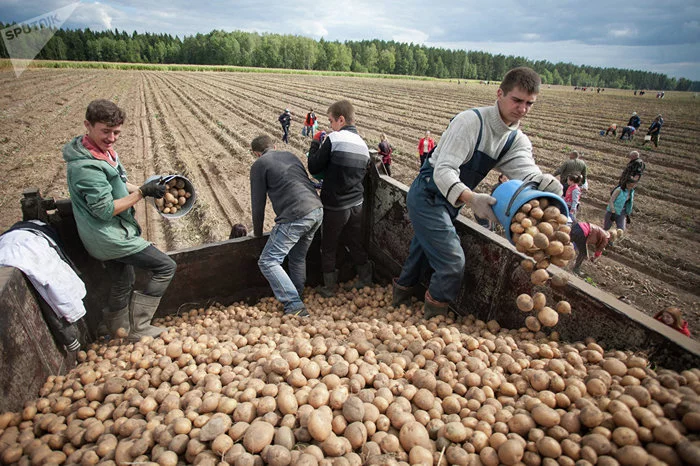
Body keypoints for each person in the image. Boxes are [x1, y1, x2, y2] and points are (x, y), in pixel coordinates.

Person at [391, 67, 562, 318]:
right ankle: (433, 318)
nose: (522, 109)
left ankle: (399, 300)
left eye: (529, 103)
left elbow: (530, 176)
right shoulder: (470, 122)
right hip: (427, 195)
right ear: (500, 93)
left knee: (421, 252)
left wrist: (552, 189)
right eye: (517, 100)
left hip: (450, 203)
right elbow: (444, 170)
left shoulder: (516, 141)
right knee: (452, 262)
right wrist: (471, 199)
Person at [63, 99, 177, 341]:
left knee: (124, 278)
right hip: (107, 235)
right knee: (165, 266)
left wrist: (147, 191)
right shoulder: (85, 167)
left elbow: (118, 181)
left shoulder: (102, 152)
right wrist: (141, 193)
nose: (112, 137)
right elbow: (104, 210)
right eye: (105, 131)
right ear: (88, 125)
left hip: (111, 231)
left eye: (116, 132)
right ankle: (140, 326)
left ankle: (117, 328)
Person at [250, 135, 324, 317]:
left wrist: (258, 234)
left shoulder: (259, 165)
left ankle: (294, 305)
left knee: (268, 261)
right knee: (297, 258)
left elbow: (257, 203)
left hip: (296, 214)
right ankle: (297, 294)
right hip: (316, 210)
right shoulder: (290, 155)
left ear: (256, 153)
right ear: (274, 146)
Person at [308, 99, 371, 297]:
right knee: (353, 241)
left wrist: (315, 143)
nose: (330, 126)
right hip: (357, 205)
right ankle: (365, 278)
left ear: (341, 120)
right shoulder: (363, 145)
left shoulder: (334, 139)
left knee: (328, 245)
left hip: (336, 205)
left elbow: (314, 167)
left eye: (330, 121)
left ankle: (328, 288)